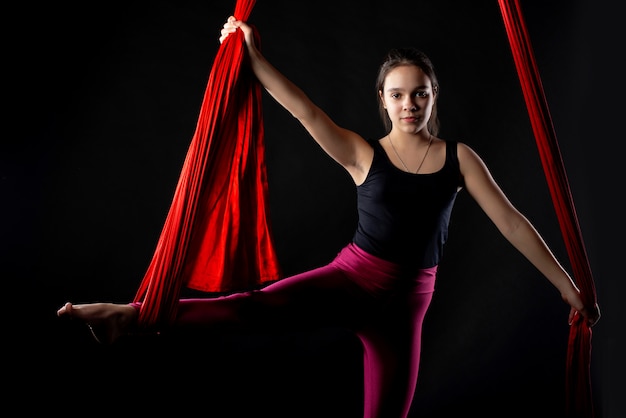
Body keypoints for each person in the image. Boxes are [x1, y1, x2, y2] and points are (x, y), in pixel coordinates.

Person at [57, 16, 600, 418]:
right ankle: (126, 316)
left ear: (434, 98)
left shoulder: (460, 158)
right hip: (350, 281)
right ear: (383, 102)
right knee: (244, 310)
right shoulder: (364, 153)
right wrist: (250, 55)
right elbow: (305, 110)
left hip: (405, 312)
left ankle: (126, 318)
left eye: (419, 94)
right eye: (397, 95)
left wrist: (568, 286)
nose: (409, 104)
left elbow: (511, 222)